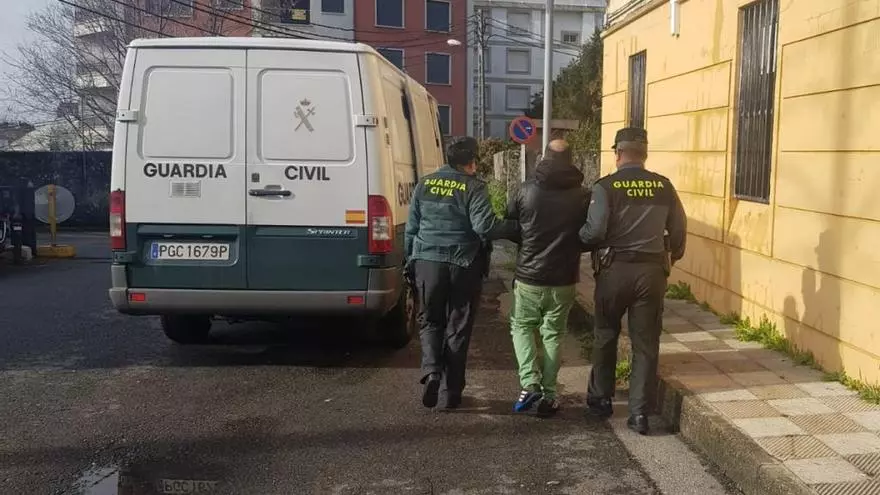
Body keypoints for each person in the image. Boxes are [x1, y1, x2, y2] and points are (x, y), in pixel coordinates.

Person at [580, 127, 687, 434]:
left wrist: (579, 240)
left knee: (605, 335)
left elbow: (594, 232)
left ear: (617, 153)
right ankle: (639, 414)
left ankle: (601, 401)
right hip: (651, 273)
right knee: (646, 343)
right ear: (645, 154)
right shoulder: (664, 186)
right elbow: (678, 231)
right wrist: (670, 259)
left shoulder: (605, 187)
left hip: (613, 271)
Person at [404, 136, 517, 410]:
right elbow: (484, 227)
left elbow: (411, 228)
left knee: (430, 321)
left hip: (427, 262)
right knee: (458, 326)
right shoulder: (474, 187)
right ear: (472, 162)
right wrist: (517, 228)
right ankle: (450, 394)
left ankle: (432, 371)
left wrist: (409, 262)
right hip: (464, 264)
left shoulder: (424, 184)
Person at [505, 140, 590, 418]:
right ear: (571, 159)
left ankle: (530, 382)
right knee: (553, 334)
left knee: (521, 326)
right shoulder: (583, 195)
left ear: (545, 157)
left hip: (529, 275)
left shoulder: (526, 190)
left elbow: (511, 223)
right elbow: (590, 231)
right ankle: (549, 395)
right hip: (564, 277)